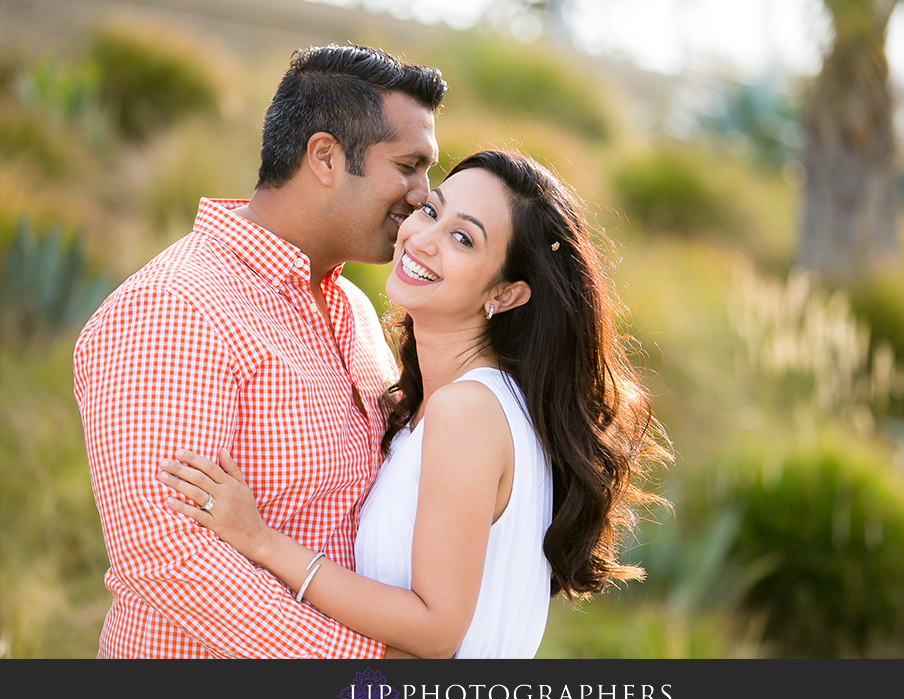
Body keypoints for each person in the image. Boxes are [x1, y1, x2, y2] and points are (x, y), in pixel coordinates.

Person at [158, 150, 674, 658]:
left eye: (462, 238)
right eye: (432, 209)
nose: (423, 238)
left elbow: (435, 629)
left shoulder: (467, 413)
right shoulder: (458, 402)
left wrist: (262, 541)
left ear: (508, 293)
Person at [73, 43, 447, 658]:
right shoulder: (177, 308)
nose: (421, 194)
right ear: (325, 156)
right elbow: (167, 555)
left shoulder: (353, 309)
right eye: (408, 165)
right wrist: (368, 672)